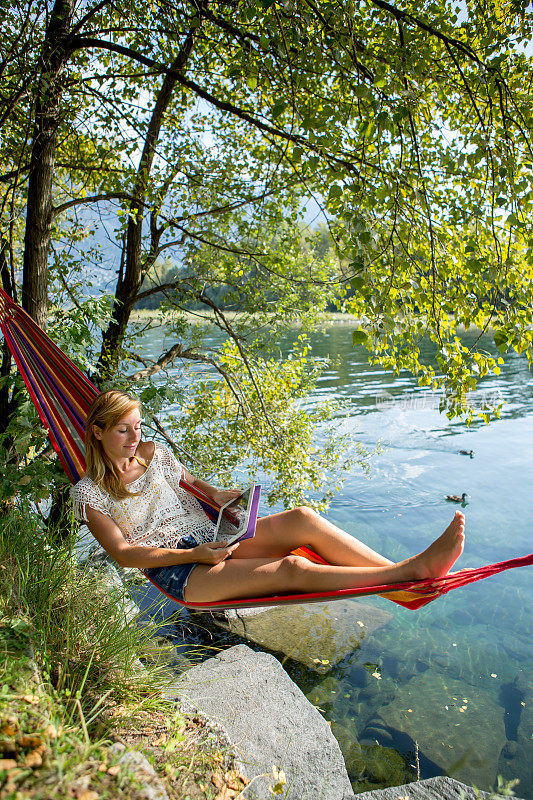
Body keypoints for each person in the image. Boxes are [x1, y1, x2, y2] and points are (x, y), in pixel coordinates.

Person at [71, 390, 466, 605]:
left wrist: (218, 494)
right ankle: (409, 576)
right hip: (179, 568)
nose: (135, 437)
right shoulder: (89, 494)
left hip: (210, 535)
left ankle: (404, 582)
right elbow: (124, 555)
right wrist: (195, 555)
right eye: (124, 430)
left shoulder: (152, 452)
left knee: (303, 518)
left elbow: (188, 481)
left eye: (138, 426)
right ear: (97, 433)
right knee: (290, 570)